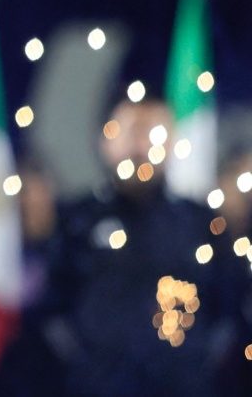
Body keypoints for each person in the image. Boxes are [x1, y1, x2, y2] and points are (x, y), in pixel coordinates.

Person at [41, 93, 235, 396]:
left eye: (152, 132)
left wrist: (195, 359)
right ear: (106, 139)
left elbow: (227, 306)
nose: (139, 147)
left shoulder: (202, 223)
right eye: (129, 130)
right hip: (97, 386)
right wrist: (83, 359)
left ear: (172, 143)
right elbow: (51, 305)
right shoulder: (77, 220)